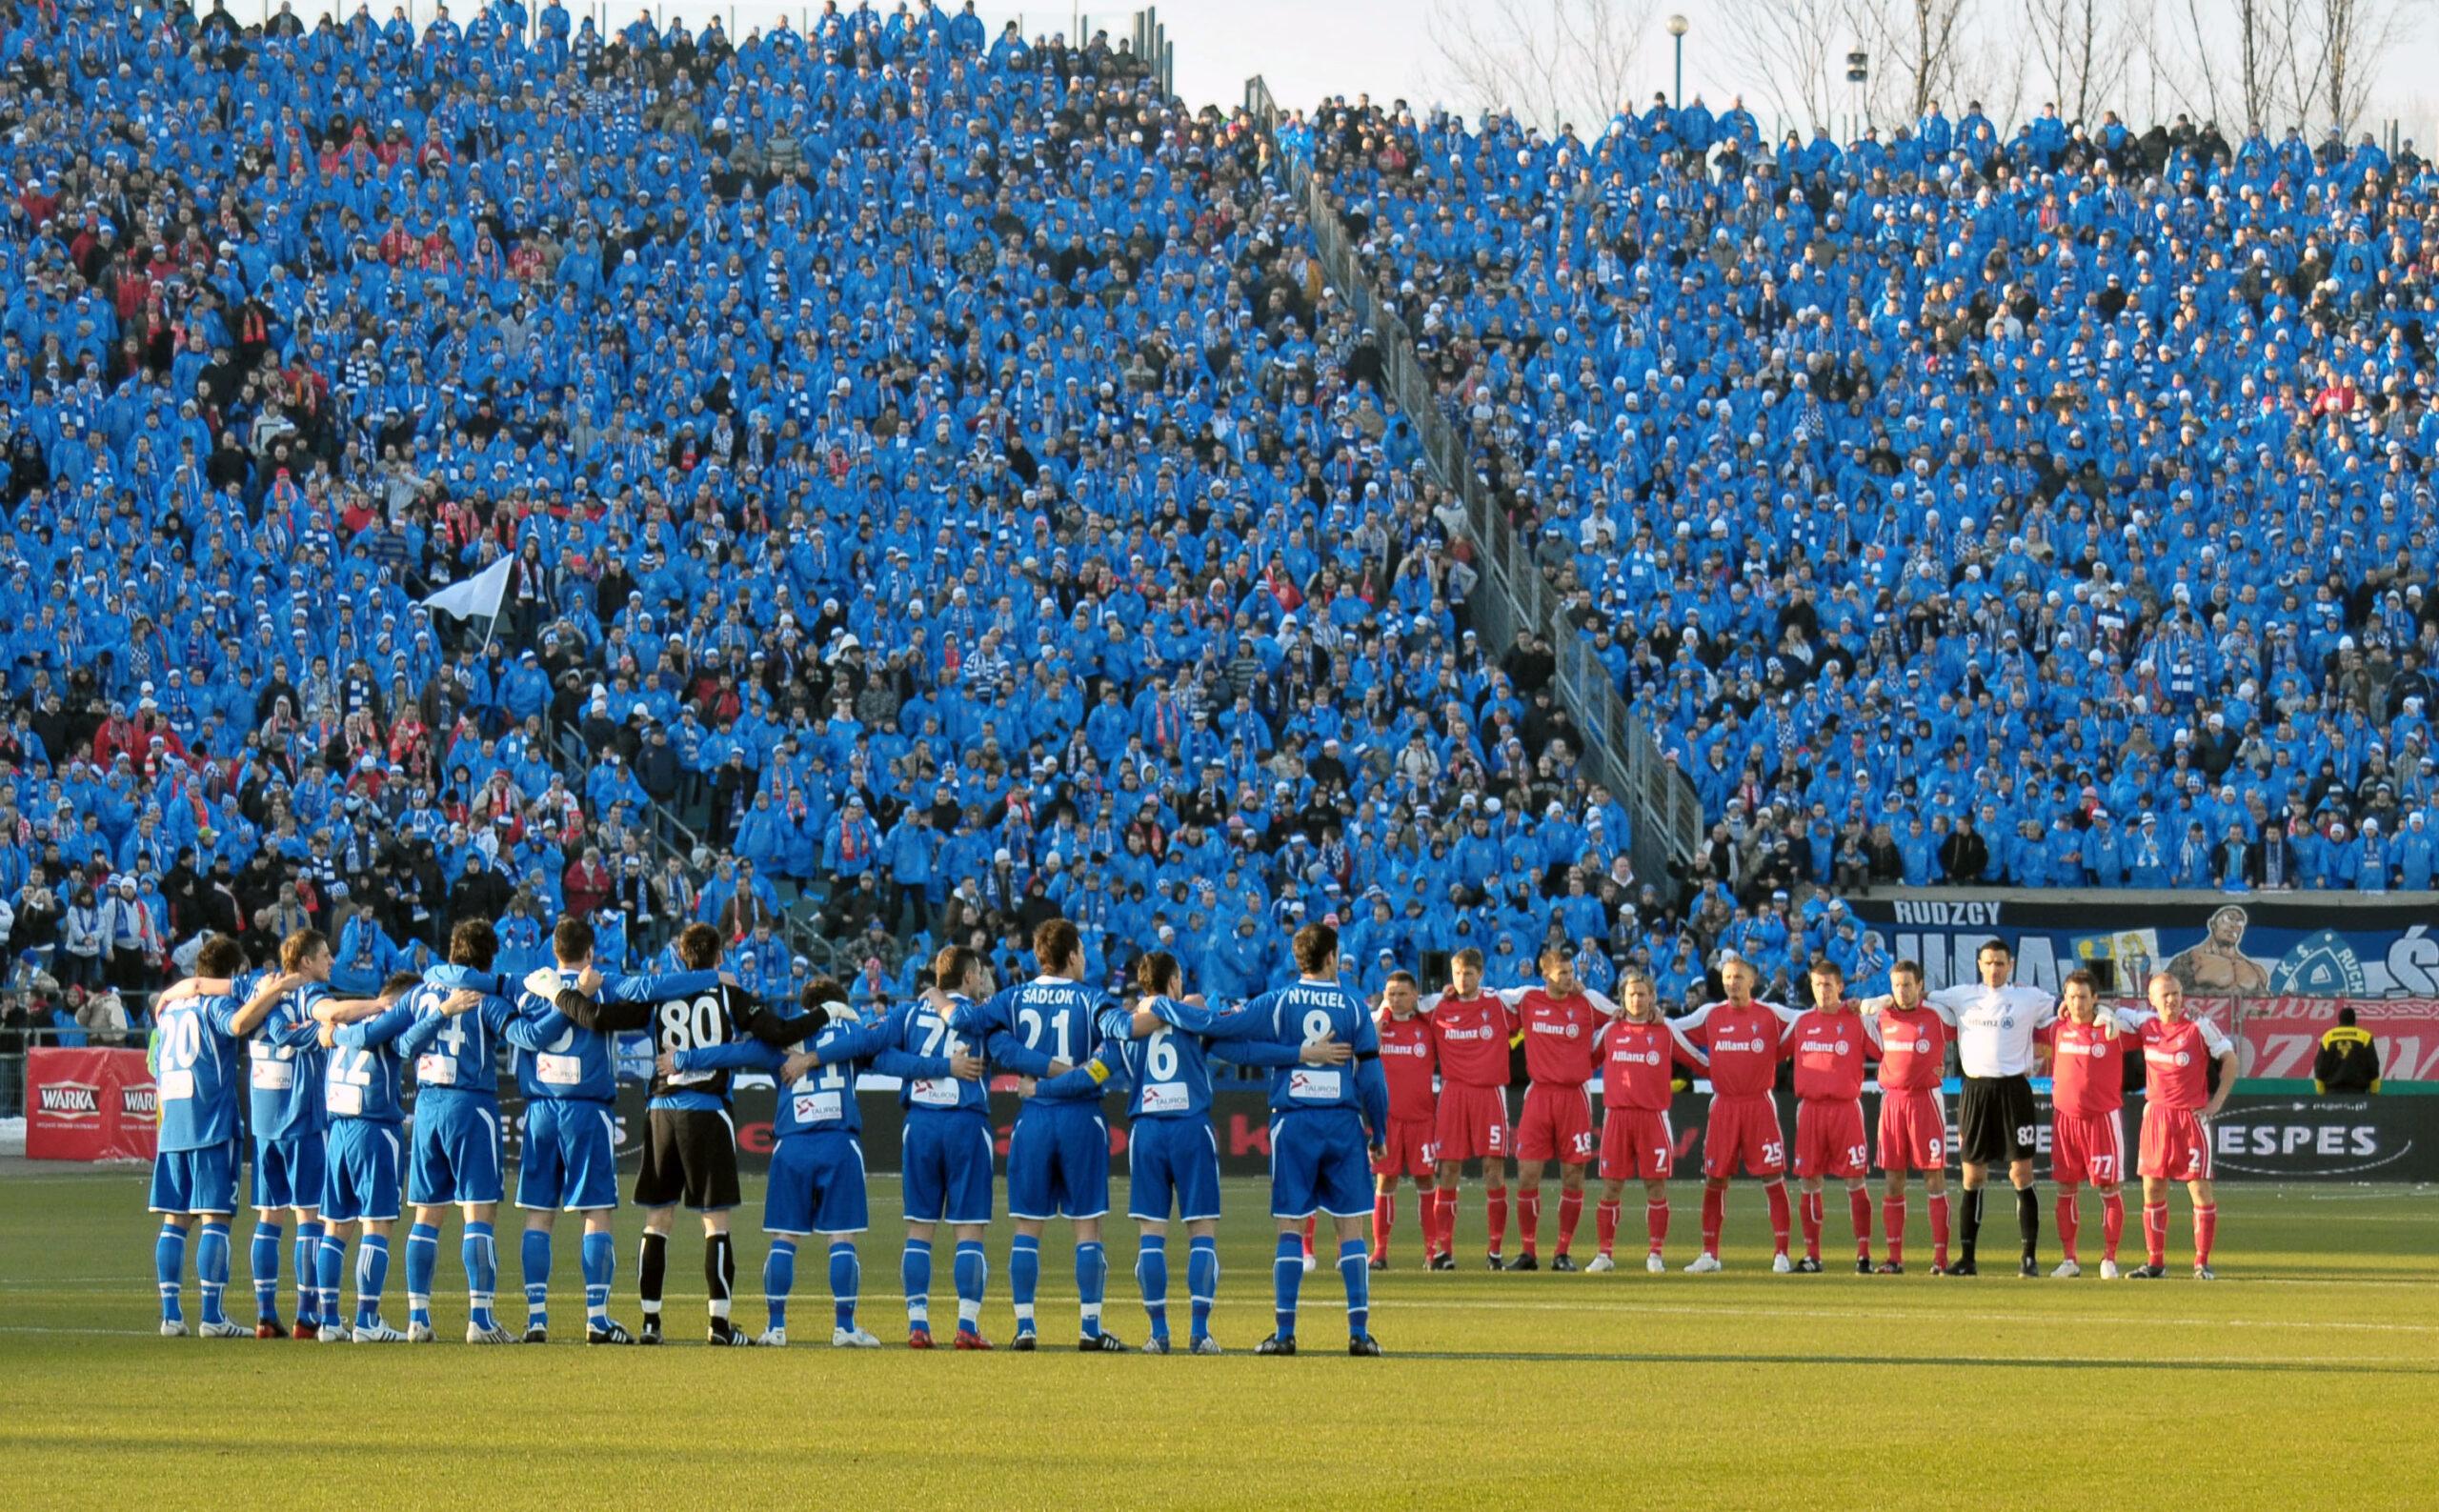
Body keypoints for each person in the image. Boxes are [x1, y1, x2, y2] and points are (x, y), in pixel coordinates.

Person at [527, 921, 810, 1343]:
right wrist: (826, 1018)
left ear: (681, 957)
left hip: (660, 1112)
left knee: (657, 1220)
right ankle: (718, 1325)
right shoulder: (727, 992)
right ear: (718, 959)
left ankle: (650, 1324)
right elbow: (780, 1032)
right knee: (715, 1223)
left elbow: (600, 1017)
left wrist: (560, 995)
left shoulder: (658, 992)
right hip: (708, 1111)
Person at [672, 977, 980, 1346]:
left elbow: (732, 1054)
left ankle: (776, 1328)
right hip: (839, 1145)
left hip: (792, 1146)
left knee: (784, 1239)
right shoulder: (853, 1032)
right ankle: (845, 1328)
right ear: (839, 1004)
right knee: (842, 1239)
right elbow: (895, 1062)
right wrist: (946, 1066)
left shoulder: (785, 1036)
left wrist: (682, 1059)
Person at [1073, 950, 1348, 1351]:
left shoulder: (1126, 1028)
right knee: (1201, 1233)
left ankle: (1158, 1334)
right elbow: (1244, 1051)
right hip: (1191, 1129)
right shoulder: (1194, 1017)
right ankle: (1199, 1333)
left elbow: (1093, 1073)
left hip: (1146, 1132)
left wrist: (1043, 1088)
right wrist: (1303, 1054)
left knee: (1151, 1235)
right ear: (1172, 982)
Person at [506, 919, 716, 1344]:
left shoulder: (529, 986)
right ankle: (596, 1318)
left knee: (538, 1215)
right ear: (591, 953)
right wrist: (713, 976)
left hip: (541, 1110)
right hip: (587, 1110)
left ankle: (536, 1318)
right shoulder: (601, 985)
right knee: (596, 1211)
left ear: (553, 950)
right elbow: (657, 989)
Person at [953, 917, 1124, 1350]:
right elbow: (1108, 1060)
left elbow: (966, 1021)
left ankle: (1025, 1327)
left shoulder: (1014, 997)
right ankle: (1089, 1329)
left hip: (1033, 1120)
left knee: (1027, 1227)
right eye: (1082, 951)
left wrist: (940, 998)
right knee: (1088, 1227)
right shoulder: (1092, 999)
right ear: (1071, 956)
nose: (1085, 958)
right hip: (1081, 1118)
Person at [388, 920, 543, 1343]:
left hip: (427, 1107)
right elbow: (525, 1036)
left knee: (426, 1215)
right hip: (471, 1106)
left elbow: (401, 1048)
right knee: (479, 1213)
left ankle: (417, 1318)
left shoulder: (421, 992)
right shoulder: (484, 999)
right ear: (488, 958)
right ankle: (480, 1318)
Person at [1240, 922, 1390, 1356]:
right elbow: (1374, 1080)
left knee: (1290, 1225)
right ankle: (1359, 1335)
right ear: (1332, 958)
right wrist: (1378, 1131)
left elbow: (1228, 1042)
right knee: (1351, 1228)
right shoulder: (1354, 1006)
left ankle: (1285, 1333)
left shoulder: (1279, 1001)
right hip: (1342, 1124)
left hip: (1294, 1124)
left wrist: (1291, 1055)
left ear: (1296, 959)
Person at [147, 935, 275, 1339]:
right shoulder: (216, 1004)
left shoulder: (168, 1011)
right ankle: (212, 1316)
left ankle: (171, 1316)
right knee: (215, 1219)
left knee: (175, 1220)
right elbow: (238, 1024)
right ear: (232, 972)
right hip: (211, 1122)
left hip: (173, 1126)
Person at [310, 970, 441, 1342]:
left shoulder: (348, 1017)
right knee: (377, 1225)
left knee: (335, 1227)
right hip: (374, 1129)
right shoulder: (390, 1023)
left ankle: (330, 1321)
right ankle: (367, 1319)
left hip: (338, 1130)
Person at [887, 944, 1002, 1349]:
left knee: (919, 1228)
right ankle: (967, 1328)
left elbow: (881, 1057)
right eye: (981, 974)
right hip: (966, 1123)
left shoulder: (910, 1012)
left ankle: (917, 1325)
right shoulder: (981, 1016)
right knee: (969, 1230)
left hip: (920, 1124)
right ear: (969, 977)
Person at [1926, 940, 2058, 1277]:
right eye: (1989, 963)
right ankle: (1967, 1258)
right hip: (1976, 1091)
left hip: (2014, 1090)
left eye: (2000, 963)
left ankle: (2029, 1257)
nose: (1995, 969)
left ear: (2010, 965)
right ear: (1979, 964)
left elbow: (2067, 1007)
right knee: (1973, 1174)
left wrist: (2099, 1012)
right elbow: (1919, 1000)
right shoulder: (1960, 995)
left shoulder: (2030, 998)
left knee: (2021, 1173)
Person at [1670, 955, 1800, 1273]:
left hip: (1759, 1105)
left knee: (1772, 1176)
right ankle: (1709, 1254)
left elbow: (1805, 1022)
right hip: (1724, 1106)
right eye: (1727, 977)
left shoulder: (1771, 1014)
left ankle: (1781, 1253)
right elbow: (1672, 1029)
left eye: (1738, 977)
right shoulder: (1710, 1015)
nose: (1732, 983)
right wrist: (1703, 1065)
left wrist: (1778, 1053)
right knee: (1715, 1178)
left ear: (1752, 981)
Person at [1505, 948, 1621, 1270]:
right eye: (1563, 974)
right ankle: (1528, 1252)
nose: (1570, 979)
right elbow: (1490, 999)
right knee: (1527, 1174)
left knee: (1573, 1174)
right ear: (1546, 976)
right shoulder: (1528, 1001)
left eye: (1572, 973)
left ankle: (1562, 1252)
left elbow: (1623, 1016)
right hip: (1539, 1096)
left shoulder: (1587, 1002)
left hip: (1575, 1097)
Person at [2118, 976, 2239, 1279]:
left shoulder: (2199, 1026)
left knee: (2199, 1189)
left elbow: (2230, 1058)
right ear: (2152, 999)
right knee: (2153, 1188)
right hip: (2157, 1117)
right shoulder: (2146, 1024)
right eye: (2165, 995)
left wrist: (2217, 1102)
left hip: (2190, 1119)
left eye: (2175, 994)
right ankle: (2155, 1262)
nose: (2171, 1000)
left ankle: (2201, 1263)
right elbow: (2113, 1014)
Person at [1589, 970, 1705, 1272]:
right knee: (1611, 1187)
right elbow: (1586, 1060)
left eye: (1642, 994)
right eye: (1631, 994)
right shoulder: (1610, 1031)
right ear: (1622, 997)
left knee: (1655, 1187)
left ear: (1652, 997)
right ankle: (1605, 1253)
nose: (1636, 999)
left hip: (1653, 1119)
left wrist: (1739, 1072)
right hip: (1616, 1118)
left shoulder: (1665, 1031)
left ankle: (1655, 1253)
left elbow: (1697, 1060)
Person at [1421, 947, 1517, 1269]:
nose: (1463, 979)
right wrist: (1387, 1013)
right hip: (1452, 1094)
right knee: (1448, 1171)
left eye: (1470, 974)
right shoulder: (1438, 1006)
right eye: (1458, 973)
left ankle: (1495, 1252)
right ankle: (1443, 1251)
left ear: (1481, 974)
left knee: (1493, 1171)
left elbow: (1537, 996)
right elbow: (1398, 1004)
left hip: (1489, 1094)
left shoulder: (1498, 1003)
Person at [1859, 961, 1954, 1274]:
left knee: (1933, 1178)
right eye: (1897, 985)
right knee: (1893, 1180)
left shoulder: (1938, 1016)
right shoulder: (1884, 1016)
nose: (1903, 990)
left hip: (1925, 1100)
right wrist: (1881, 1002)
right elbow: (1861, 1017)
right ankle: (1894, 1258)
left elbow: (1971, 1029)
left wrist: (1952, 1068)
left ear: (1920, 985)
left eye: (1908, 984)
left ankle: (1940, 1259)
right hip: (1893, 1103)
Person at [1787, 960, 1879, 1274]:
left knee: (1855, 1180)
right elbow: (1770, 1048)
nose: (1822, 991)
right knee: (1809, 1180)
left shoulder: (1855, 1020)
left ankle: (1864, 1255)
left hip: (1845, 1109)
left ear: (1840, 986)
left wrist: (1871, 1010)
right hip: (1811, 1110)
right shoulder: (1800, 1023)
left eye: (1828, 985)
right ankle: (1812, 1255)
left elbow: (1884, 1049)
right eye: (1817, 985)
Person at [2045, 970, 2133, 1280]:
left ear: (2095, 998)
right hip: (2065, 1121)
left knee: (2108, 1188)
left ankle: (2109, 1258)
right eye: (2071, 996)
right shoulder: (2057, 1029)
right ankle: (2069, 1259)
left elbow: (2145, 1023)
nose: (2077, 1002)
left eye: (2083, 996)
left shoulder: (2112, 1029)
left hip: (2101, 1121)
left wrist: (2111, 1014)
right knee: (2066, 1188)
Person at [1370, 972, 1441, 1268]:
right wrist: (1382, 1014)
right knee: (1386, 1181)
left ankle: (1431, 1252)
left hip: (1422, 1118)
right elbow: (1367, 1050)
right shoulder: (1377, 1025)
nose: (1395, 999)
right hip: (1387, 1120)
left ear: (1415, 996)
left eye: (1401, 994)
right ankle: (1380, 1253)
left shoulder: (1428, 1026)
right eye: (1390, 994)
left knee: (1426, 1180)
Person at [2314, 1008, 2383, 1093]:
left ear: (2339, 1020)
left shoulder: (2328, 1037)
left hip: (2332, 1093)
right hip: (2358, 1092)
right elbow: (2373, 1065)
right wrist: (2374, 1091)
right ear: (2354, 1020)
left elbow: (2320, 1066)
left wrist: (2321, 1092)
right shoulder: (2365, 1037)